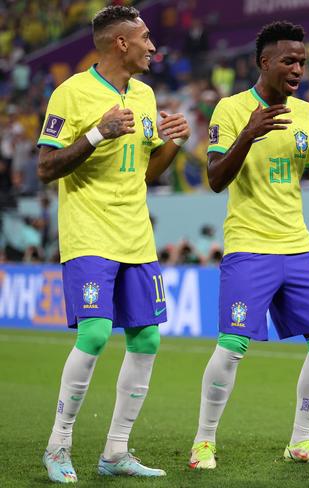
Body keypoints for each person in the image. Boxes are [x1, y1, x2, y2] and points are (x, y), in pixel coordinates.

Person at [37, 5, 190, 482]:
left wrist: (170, 145)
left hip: (136, 238)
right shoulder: (72, 92)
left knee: (147, 338)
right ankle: (58, 447)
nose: (153, 46)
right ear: (120, 43)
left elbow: (146, 172)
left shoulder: (144, 95)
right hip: (89, 234)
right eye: (145, 38)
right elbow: (46, 167)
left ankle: (115, 452)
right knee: (97, 334)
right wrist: (96, 132)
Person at [188, 21, 309, 469]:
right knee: (233, 346)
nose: (298, 68)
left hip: (297, 246)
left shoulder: (303, 114)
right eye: (289, 61)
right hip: (249, 246)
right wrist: (249, 132)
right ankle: (204, 441)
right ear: (264, 62)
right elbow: (216, 179)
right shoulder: (232, 109)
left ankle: (303, 438)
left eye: (302, 61)